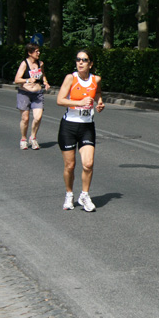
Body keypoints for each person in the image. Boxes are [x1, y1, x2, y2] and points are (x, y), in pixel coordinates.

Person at [56, 50, 105, 212]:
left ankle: (84, 195)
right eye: (78, 59)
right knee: (70, 166)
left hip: (86, 126)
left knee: (88, 164)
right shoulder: (71, 78)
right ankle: (69, 194)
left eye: (84, 60)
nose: (80, 62)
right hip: (69, 126)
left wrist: (100, 103)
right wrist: (79, 101)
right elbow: (60, 100)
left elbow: (97, 93)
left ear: (90, 64)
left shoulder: (96, 79)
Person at [14, 43, 50, 150]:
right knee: (25, 118)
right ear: (30, 53)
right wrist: (28, 80)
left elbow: (42, 74)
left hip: (37, 94)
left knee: (38, 117)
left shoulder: (40, 63)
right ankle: (23, 139)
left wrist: (45, 82)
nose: (39, 53)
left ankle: (33, 137)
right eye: (36, 51)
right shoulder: (24, 64)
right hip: (24, 93)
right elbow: (16, 80)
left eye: (39, 51)